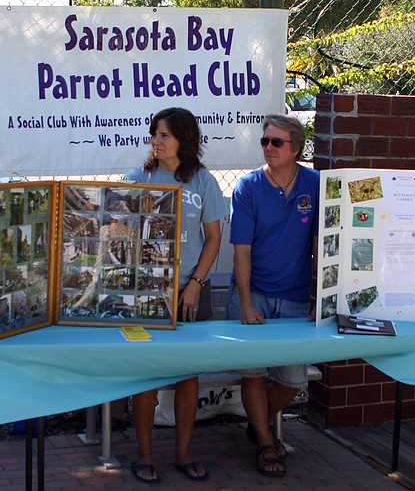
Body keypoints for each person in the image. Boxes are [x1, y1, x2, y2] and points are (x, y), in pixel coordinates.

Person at [123, 107, 227, 484]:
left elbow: (214, 238)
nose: (157, 140)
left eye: (165, 134)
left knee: (188, 375)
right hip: (147, 289)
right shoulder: (138, 178)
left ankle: (183, 452)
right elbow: (120, 228)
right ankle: (145, 454)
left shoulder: (202, 181)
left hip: (190, 290)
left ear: (185, 139)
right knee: (147, 374)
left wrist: (195, 284)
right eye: (154, 133)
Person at [225, 113, 319, 478]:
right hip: (255, 293)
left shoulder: (315, 183)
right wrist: (245, 303)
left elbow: (320, 244)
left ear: (295, 148)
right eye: (264, 141)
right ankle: (266, 443)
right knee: (252, 373)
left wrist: (318, 295)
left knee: (292, 379)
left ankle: (258, 422)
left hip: (295, 297)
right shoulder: (248, 187)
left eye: (276, 142)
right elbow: (241, 250)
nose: (268, 148)